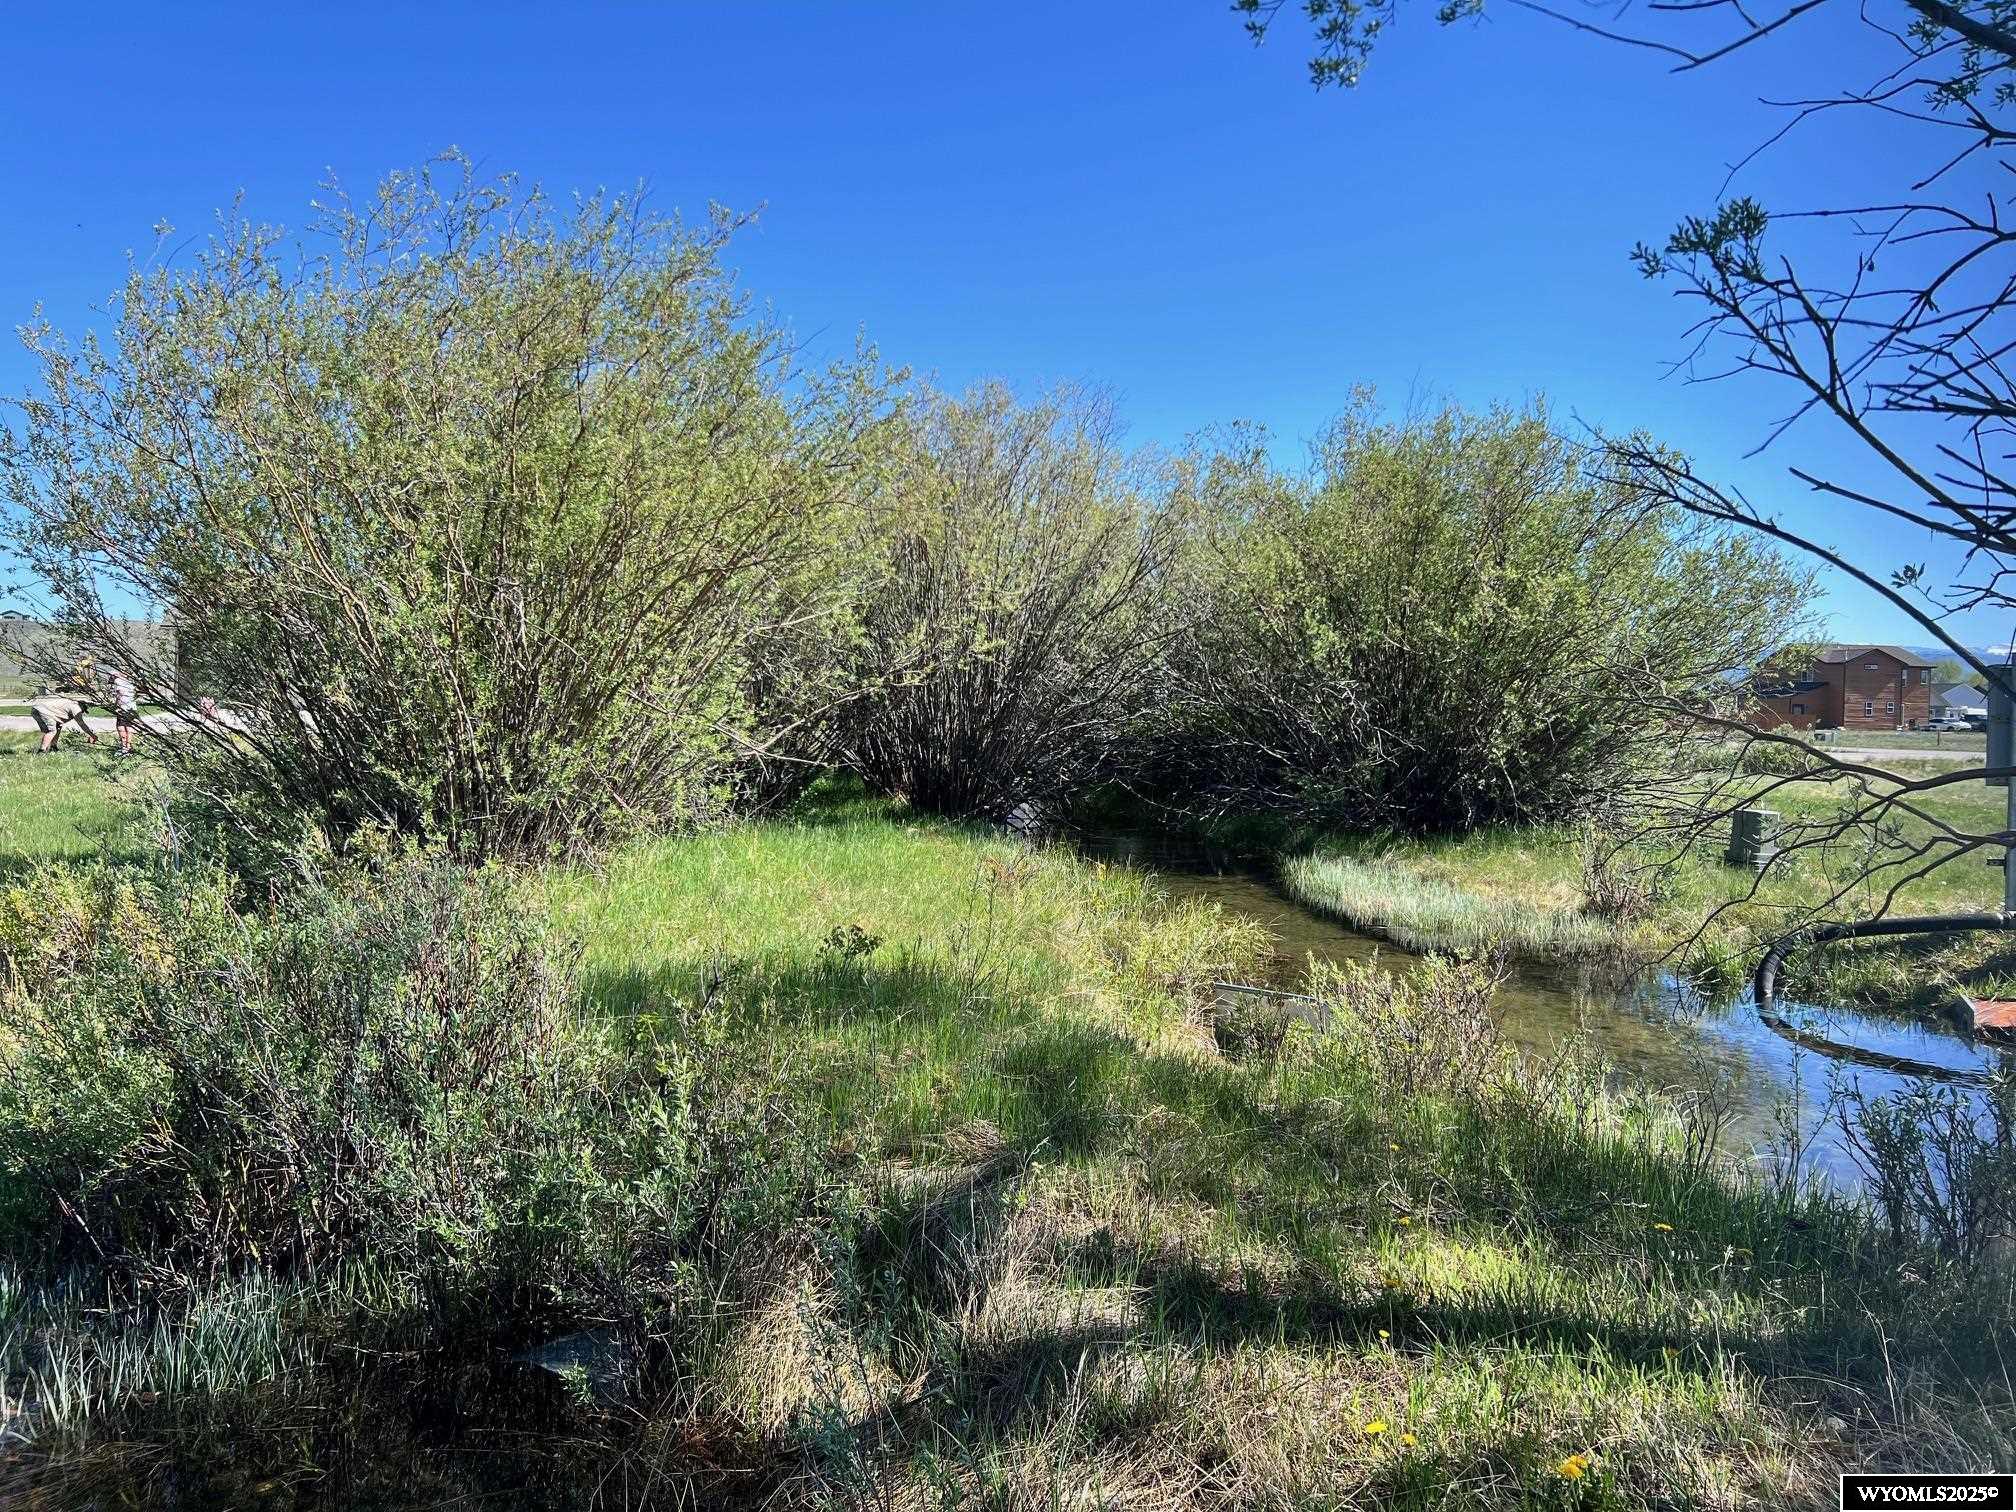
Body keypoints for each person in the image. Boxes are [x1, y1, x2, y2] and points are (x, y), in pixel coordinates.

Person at [28, 684, 99, 754]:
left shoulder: (72, 703)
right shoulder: (76, 708)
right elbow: (81, 724)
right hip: (44, 711)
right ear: (83, 706)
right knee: (52, 731)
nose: (82, 712)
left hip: (38, 709)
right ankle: (41, 751)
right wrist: (92, 735)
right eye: (83, 710)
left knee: (58, 727)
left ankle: (53, 747)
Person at [109, 669, 139, 757]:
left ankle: (123, 748)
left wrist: (116, 706)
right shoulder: (130, 682)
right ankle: (128, 747)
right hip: (132, 708)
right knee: (129, 727)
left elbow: (120, 694)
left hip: (123, 708)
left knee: (121, 726)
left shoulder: (118, 681)